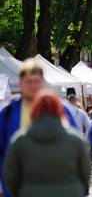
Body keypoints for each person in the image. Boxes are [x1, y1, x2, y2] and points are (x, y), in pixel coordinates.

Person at [0, 59, 77, 197]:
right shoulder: (7, 114)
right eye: (29, 81)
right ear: (20, 83)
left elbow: (77, 146)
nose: (33, 86)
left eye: (37, 81)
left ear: (43, 83)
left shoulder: (60, 110)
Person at [3, 90, 91, 197]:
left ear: (34, 109)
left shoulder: (19, 140)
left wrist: (20, 192)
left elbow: (9, 174)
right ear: (59, 109)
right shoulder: (75, 140)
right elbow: (85, 170)